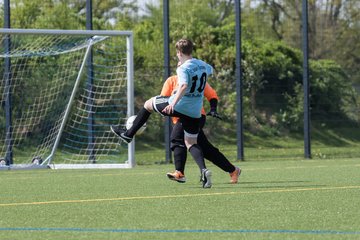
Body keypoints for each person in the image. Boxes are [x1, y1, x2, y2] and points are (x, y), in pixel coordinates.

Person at [111, 39, 214, 188]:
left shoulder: (182, 68)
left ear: (178, 53)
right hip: (195, 110)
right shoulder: (203, 65)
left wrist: (173, 103)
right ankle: (204, 171)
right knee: (191, 142)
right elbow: (210, 71)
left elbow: (184, 85)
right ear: (191, 50)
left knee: (148, 105)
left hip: (179, 105)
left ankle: (128, 134)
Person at [161, 75, 241, 184]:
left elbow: (211, 94)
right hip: (180, 117)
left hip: (196, 116)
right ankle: (233, 170)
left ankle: (179, 172)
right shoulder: (172, 81)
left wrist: (213, 109)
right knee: (206, 149)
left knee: (177, 138)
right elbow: (163, 99)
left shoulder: (197, 80)